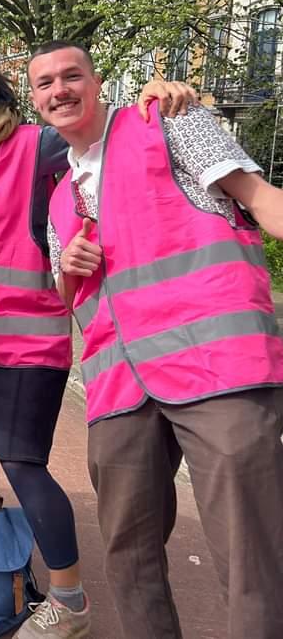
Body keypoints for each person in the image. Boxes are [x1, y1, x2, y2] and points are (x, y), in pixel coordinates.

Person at [0, 43, 196, 638]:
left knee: (23, 467)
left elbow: (93, 129)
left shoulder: (34, 146)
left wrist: (152, 102)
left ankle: (70, 602)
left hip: (24, 348)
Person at [32, 40, 283, 639]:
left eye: (72, 76)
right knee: (128, 554)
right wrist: (68, 266)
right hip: (120, 389)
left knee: (249, 553)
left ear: (98, 83)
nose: (59, 90)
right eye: (44, 84)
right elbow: (69, 301)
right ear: (35, 100)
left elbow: (263, 201)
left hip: (219, 370)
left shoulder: (171, 124)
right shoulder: (59, 198)